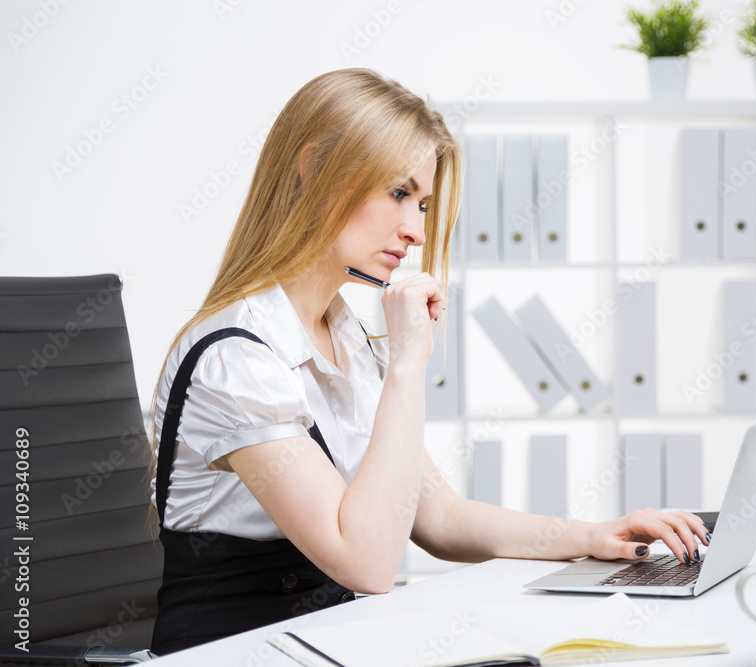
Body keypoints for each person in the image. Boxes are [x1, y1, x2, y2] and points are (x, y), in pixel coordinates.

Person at [148, 67, 709, 655]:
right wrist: (407, 361)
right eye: (398, 193)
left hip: (318, 642)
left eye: (422, 203)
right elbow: (366, 564)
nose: (415, 231)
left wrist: (590, 536)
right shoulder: (235, 359)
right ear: (312, 168)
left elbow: (436, 514)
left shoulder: (342, 334)